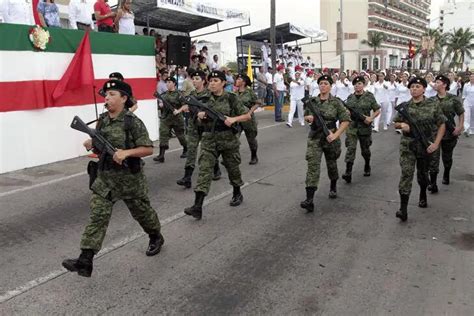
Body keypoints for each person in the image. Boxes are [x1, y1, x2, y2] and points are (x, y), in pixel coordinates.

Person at [62, 80, 164, 277]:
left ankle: (155, 236)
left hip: (129, 180)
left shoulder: (132, 122)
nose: (107, 98)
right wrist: (92, 142)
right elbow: (100, 145)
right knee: (97, 217)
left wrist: (126, 153)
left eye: (112, 94)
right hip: (106, 179)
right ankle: (85, 260)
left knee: (142, 213)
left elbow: (148, 149)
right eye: (106, 95)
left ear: (124, 98)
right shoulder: (103, 120)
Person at [184, 71, 251, 220]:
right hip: (209, 138)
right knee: (204, 171)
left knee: (232, 167)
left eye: (215, 80)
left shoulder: (231, 98)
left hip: (227, 138)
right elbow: (197, 119)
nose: (212, 83)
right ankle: (197, 206)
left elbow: (247, 115)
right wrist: (200, 116)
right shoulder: (203, 99)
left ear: (223, 83)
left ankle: (237, 192)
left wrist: (233, 119)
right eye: (210, 81)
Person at [393, 77, 446, 222]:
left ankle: (423, 193)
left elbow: (442, 124)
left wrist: (436, 143)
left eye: (417, 86)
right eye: (412, 87)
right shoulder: (405, 106)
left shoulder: (432, 105)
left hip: (425, 145)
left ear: (423, 89)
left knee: (423, 173)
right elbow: (396, 122)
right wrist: (402, 126)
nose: (414, 89)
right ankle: (403, 209)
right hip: (408, 146)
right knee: (406, 174)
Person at [300, 75, 351, 213]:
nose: (323, 86)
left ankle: (333, 185)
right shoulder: (312, 101)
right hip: (315, 137)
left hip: (330, 137)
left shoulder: (336, 103)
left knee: (331, 164)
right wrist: (309, 118)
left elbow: (345, 120)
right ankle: (309, 200)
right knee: (313, 166)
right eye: (321, 83)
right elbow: (306, 116)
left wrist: (335, 135)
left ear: (330, 86)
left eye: (326, 83)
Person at [175, 70, 222, 189]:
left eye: (197, 79)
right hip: (193, 126)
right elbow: (187, 105)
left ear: (203, 80)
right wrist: (184, 108)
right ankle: (187, 177)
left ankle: (216, 169)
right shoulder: (191, 95)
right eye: (193, 79)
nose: (194, 81)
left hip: (206, 127)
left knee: (208, 150)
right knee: (191, 150)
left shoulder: (209, 94)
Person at [427, 74, 464, 190]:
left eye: (438, 82)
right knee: (433, 159)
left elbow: (461, 113)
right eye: (435, 82)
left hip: (449, 133)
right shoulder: (431, 100)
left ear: (444, 85)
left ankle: (446, 173)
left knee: (447, 158)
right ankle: (433, 183)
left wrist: (460, 126)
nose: (435, 84)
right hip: (434, 133)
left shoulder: (453, 99)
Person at [342, 76, 380, 183]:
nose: (357, 86)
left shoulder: (369, 96)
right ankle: (348, 172)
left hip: (364, 127)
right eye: (355, 84)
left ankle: (367, 165)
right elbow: (346, 110)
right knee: (351, 149)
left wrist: (371, 118)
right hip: (352, 127)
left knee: (365, 150)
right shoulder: (350, 98)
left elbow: (377, 110)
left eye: (359, 84)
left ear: (363, 85)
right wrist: (346, 112)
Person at [153, 77, 187, 162]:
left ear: (174, 83)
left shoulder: (179, 94)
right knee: (163, 135)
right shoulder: (164, 95)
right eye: (166, 82)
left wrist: (178, 110)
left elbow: (185, 105)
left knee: (181, 136)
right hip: (166, 118)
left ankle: (186, 149)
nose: (167, 84)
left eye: (169, 82)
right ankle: (161, 155)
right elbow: (161, 104)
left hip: (177, 119)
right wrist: (160, 105)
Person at [235, 74, 260, 164]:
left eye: (239, 79)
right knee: (234, 138)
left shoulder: (250, 92)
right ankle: (233, 158)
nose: (236, 80)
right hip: (238, 119)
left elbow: (257, 103)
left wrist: (250, 112)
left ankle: (254, 156)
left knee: (251, 139)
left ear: (244, 82)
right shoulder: (235, 93)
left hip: (249, 119)